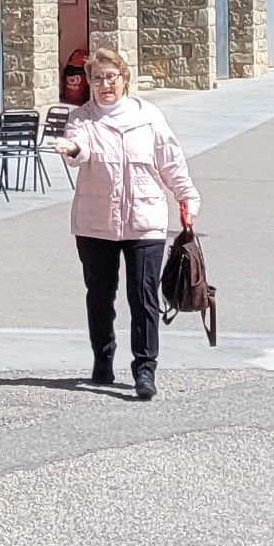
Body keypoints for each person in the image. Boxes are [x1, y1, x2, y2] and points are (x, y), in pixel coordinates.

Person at [56, 50, 199, 400]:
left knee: (143, 296)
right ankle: (102, 359)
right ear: (89, 83)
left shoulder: (149, 117)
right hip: (96, 223)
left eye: (111, 77)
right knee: (100, 296)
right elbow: (81, 149)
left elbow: (171, 161)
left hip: (145, 221)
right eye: (97, 78)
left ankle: (145, 369)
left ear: (124, 79)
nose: (105, 85)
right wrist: (71, 148)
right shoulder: (82, 118)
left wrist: (187, 196)